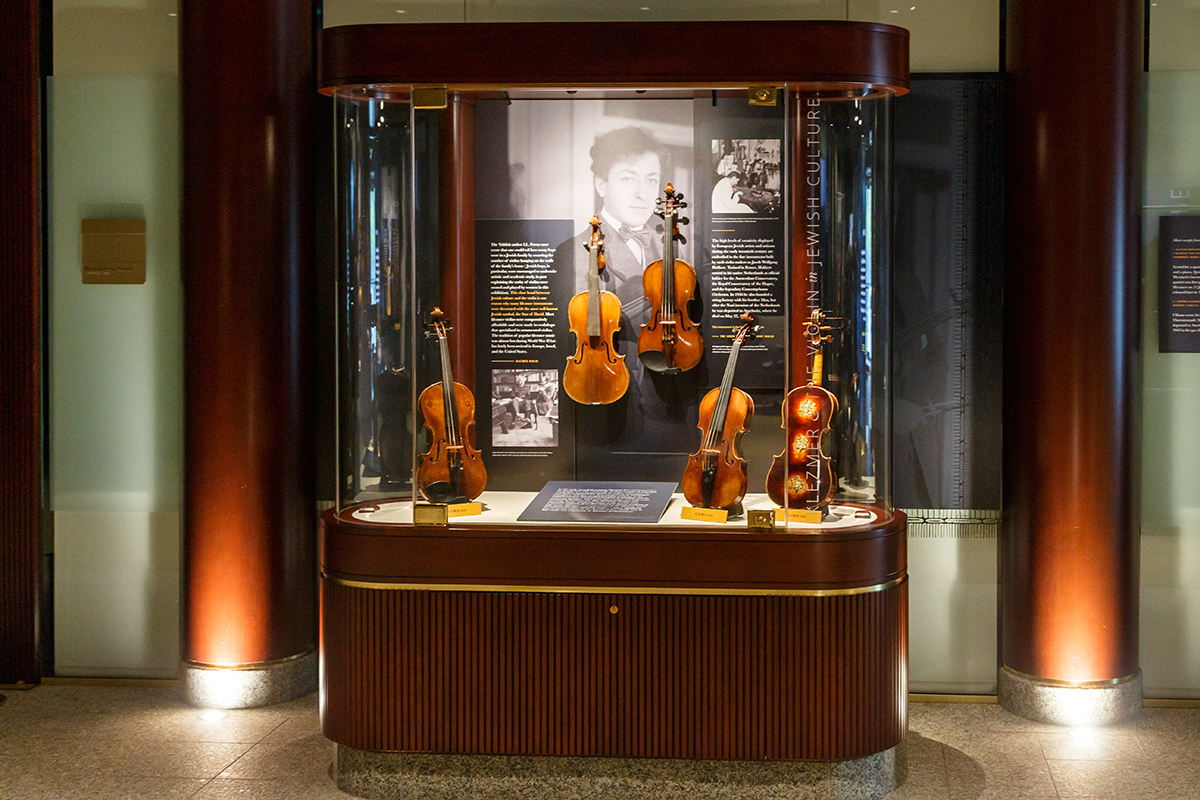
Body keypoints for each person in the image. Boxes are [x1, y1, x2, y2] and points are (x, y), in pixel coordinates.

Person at [555, 126, 707, 475]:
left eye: (651, 180)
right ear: (602, 185)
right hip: (612, 408)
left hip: (675, 407)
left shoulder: (677, 245)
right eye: (628, 179)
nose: (642, 194)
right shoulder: (573, 252)